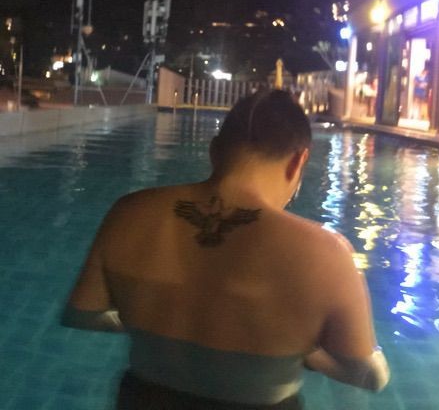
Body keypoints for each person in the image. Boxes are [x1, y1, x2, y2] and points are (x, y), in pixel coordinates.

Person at [61, 89, 389, 409]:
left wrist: (147, 320)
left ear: (214, 150)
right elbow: (369, 375)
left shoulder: (129, 213)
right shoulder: (327, 253)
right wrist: (308, 353)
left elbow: (82, 314)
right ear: (298, 161)